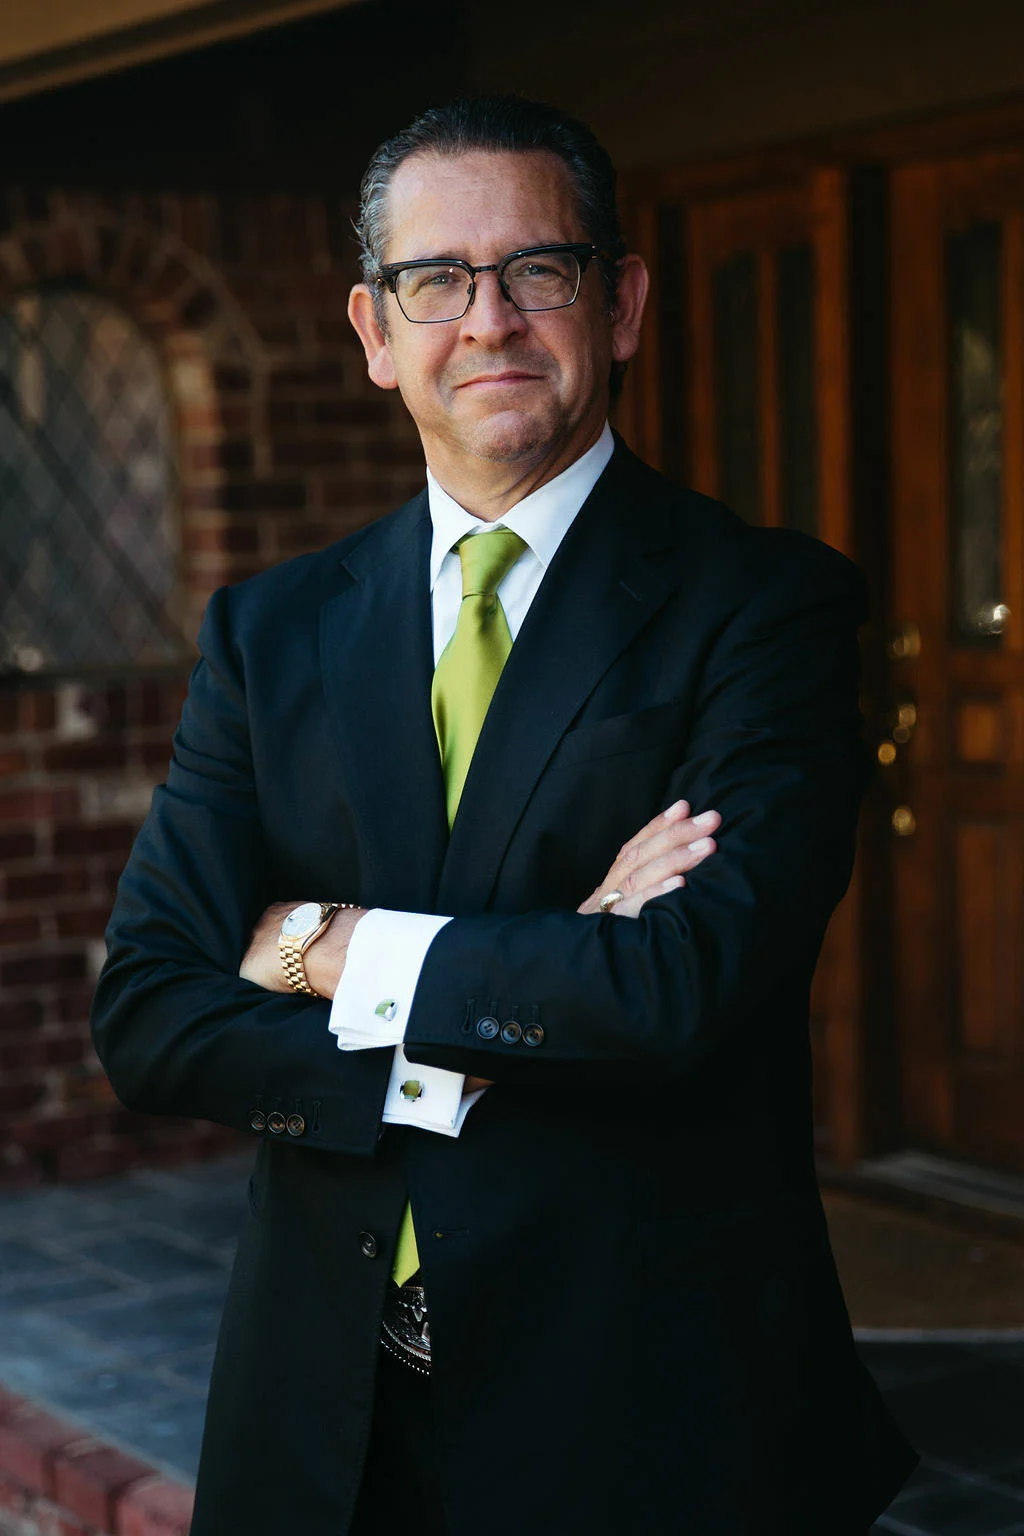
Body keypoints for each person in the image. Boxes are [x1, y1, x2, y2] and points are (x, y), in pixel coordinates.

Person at [91, 95, 917, 1535]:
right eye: (436, 281)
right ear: (373, 329)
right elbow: (151, 1012)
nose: (489, 320)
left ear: (621, 304)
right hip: (321, 1424)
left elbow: (677, 985)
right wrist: (506, 1001)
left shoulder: (762, 610)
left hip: (645, 1420)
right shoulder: (271, 633)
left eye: (540, 270)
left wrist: (316, 942)